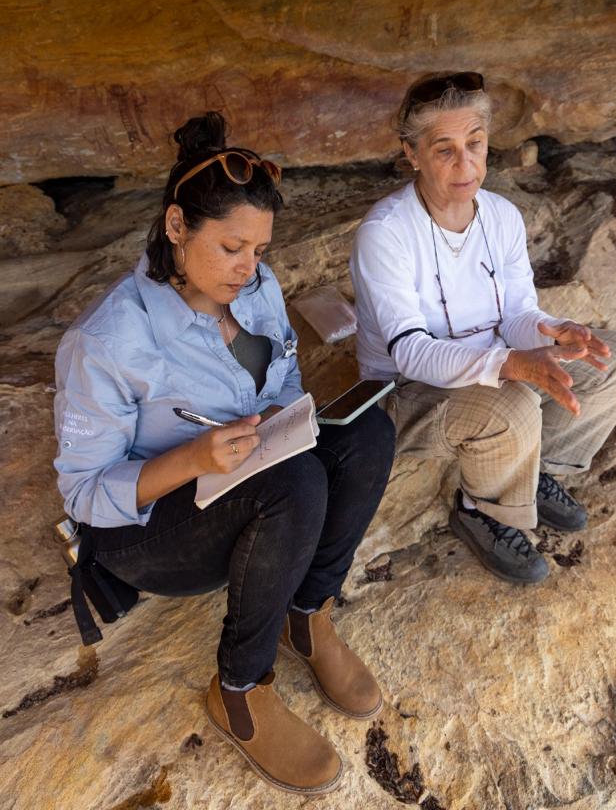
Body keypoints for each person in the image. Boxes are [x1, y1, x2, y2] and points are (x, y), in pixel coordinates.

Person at [53, 112, 395, 797]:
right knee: (293, 484)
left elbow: (286, 380)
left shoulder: (258, 290)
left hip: (241, 471)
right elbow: (85, 496)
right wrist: (194, 459)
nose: (249, 268)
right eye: (232, 247)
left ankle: (309, 614)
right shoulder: (110, 340)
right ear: (177, 228)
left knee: (366, 435)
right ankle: (241, 688)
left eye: (260, 250)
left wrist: (288, 412)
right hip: (145, 533)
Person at [350, 72, 616, 585]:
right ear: (412, 153)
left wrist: (555, 331)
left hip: (494, 361)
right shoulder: (385, 234)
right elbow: (409, 352)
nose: (465, 164)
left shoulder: (502, 216)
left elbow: (515, 315)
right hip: (408, 391)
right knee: (512, 404)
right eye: (444, 150)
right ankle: (484, 510)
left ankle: (536, 470)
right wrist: (508, 363)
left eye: (475, 144)